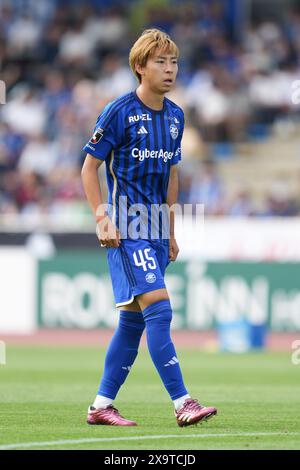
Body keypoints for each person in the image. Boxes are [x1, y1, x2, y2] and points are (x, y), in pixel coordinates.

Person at [81, 28, 217, 427]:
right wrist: (101, 216)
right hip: (126, 226)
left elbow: (172, 176)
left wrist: (171, 230)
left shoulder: (176, 116)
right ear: (140, 67)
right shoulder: (118, 111)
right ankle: (183, 402)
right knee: (160, 309)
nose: (170, 69)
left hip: (156, 228)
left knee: (133, 322)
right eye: (161, 62)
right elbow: (90, 168)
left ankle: (101, 405)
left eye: (174, 62)